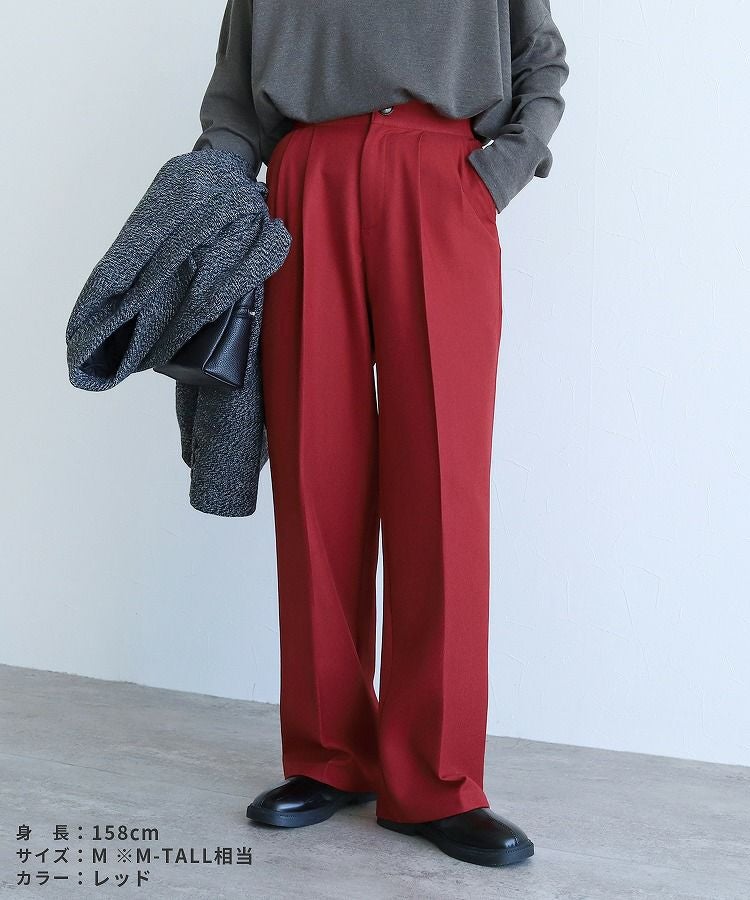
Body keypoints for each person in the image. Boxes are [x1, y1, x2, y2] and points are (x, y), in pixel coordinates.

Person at [193, 0, 568, 868]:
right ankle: (328, 755)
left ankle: (437, 779)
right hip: (304, 185)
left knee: (442, 482)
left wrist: (497, 171)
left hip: (443, 177)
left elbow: (540, 60)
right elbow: (235, 95)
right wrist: (207, 196)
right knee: (315, 473)